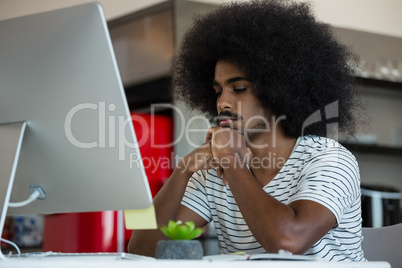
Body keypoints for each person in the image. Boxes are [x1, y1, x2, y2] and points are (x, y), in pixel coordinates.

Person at [128, 0, 366, 262]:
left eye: (239, 88)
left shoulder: (329, 159)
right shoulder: (212, 170)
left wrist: (231, 160)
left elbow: (288, 242)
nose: (222, 103)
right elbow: (141, 250)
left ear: (278, 91)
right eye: (218, 91)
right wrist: (183, 170)